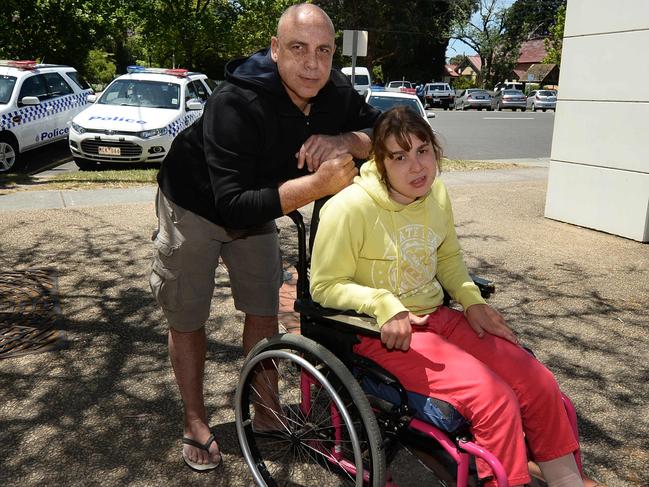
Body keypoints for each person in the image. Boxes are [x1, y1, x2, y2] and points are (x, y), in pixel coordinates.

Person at [310, 106, 603, 487]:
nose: (416, 167)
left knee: (538, 382)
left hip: (438, 316)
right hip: (382, 334)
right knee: (494, 399)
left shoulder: (437, 194)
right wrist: (382, 303)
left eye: (423, 151)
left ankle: (567, 481)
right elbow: (324, 285)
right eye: (399, 156)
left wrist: (472, 301)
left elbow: (447, 257)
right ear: (380, 163)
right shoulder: (348, 209)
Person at [149, 3, 380, 472]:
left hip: (263, 205)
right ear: (275, 50)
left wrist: (349, 142)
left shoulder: (334, 90)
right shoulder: (234, 101)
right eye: (298, 49)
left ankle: (266, 409)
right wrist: (317, 186)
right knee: (188, 313)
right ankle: (195, 420)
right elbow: (232, 204)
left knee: (263, 307)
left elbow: (390, 129)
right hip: (194, 203)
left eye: (324, 51)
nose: (312, 64)